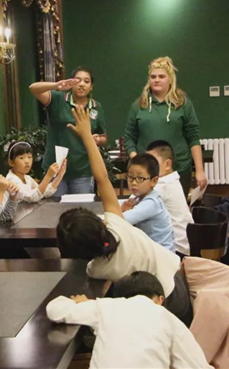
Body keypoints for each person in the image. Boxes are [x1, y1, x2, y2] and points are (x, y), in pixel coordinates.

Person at [56, 106, 192, 326]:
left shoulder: (97, 269)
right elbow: (102, 178)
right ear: (100, 223)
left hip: (166, 306)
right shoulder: (116, 223)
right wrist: (87, 136)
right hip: (178, 285)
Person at [46, 271, 212, 369]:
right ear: (160, 299)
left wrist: (85, 303)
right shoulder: (170, 320)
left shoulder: (107, 306)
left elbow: (54, 309)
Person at [124, 57, 206, 197]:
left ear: (170, 79)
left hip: (179, 169)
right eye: (153, 77)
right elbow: (129, 137)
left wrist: (199, 170)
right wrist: (137, 159)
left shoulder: (183, 103)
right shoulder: (139, 105)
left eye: (161, 76)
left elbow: (193, 137)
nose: (156, 80)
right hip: (147, 173)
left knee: (176, 208)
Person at [29, 66, 107, 196]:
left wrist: (98, 139)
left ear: (91, 87)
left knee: (81, 207)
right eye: (77, 80)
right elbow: (33, 88)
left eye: (86, 81)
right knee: (56, 206)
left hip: (82, 170)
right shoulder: (58, 99)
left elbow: (103, 137)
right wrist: (56, 85)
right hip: (56, 168)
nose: (81, 84)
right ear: (71, 83)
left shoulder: (96, 107)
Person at [146, 140, 193, 259]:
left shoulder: (162, 185)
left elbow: (133, 203)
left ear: (167, 164)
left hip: (176, 249)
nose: (147, 168)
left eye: (153, 164)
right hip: (186, 244)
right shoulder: (173, 179)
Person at [121, 153, 176, 252]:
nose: (134, 182)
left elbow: (121, 221)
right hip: (151, 253)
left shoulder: (151, 203)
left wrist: (121, 210)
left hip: (162, 256)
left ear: (154, 181)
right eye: (130, 177)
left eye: (140, 178)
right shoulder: (138, 197)